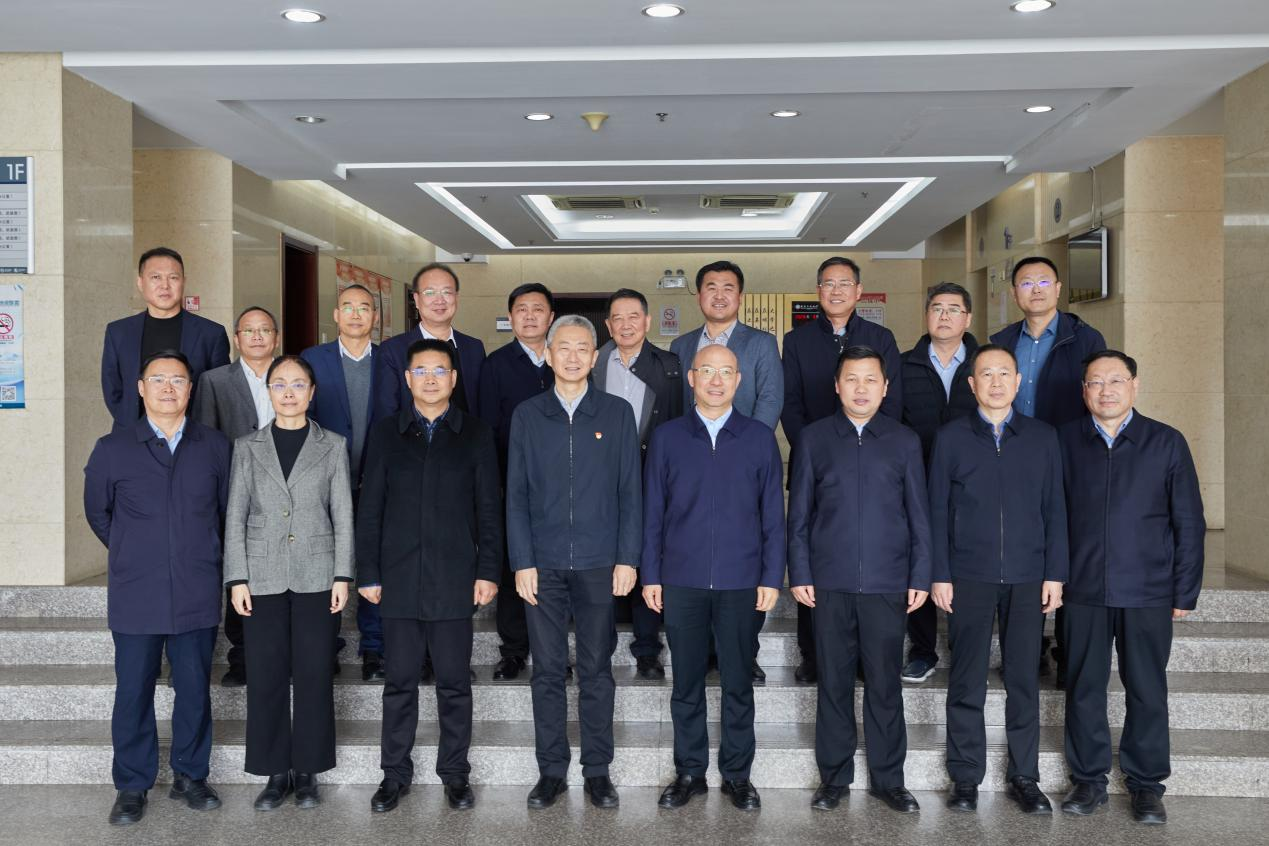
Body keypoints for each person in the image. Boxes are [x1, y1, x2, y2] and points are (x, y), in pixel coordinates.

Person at [1057, 350, 1205, 825]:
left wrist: (1184, 590)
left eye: (1115, 381)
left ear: (1134, 385)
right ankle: (1088, 779)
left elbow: (1189, 520)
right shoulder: (1065, 440)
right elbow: (1050, 516)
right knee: (1083, 687)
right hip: (1083, 590)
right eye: (1096, 382)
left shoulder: (1166, 442)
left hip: (1148, 589)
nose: (1106, 390)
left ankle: (1146, 785)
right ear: (1084, 391)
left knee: (1146, 689)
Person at [84, 350, 230, 826]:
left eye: (179, 380)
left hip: (195, 586)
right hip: (136, 591)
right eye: (159, 379)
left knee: (194, 688)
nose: (169, 388)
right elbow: (98, 513)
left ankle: (191, 775)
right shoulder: (113, 448)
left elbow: (226, 511)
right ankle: (132, 784)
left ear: (191, 389)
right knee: (133, 690)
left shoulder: (214, 446)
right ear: (141, 388)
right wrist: (133, 549)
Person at [357, 339, 503, 813]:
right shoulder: (386, 433)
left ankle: (455, 775)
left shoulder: (475, 434)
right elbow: (370, 509)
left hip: (454, 577)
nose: (431, 379)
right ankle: (394, 775)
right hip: (398, 577)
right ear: (407, 379)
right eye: (421, 371)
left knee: (454, 683)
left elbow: (489, 509)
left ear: (454, 379)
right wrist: (368, 571)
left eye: (440, 371)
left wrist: (488, 570)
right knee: (399, 683)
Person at [788, 346, 931, 814]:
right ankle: (834, 778)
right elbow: (799, 515)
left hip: (888, 584)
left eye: (871, 379)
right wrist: (800, 571)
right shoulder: (813, 438)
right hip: (828, 583)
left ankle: (889, 780)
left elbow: (919, 515)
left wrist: (920, 574)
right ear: (837, 385)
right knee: (833, 683)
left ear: (885, 387)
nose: (861, 388)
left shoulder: (904, 440)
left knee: (885, 684)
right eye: (851, 379)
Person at [506, 315, 641, 810]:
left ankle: (598, 771)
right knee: (546, 670)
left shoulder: (616, 412)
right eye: (563, 348)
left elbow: (631, 491)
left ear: (594, 356)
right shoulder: (527, 414)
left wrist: (627, 558)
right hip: (541, 564)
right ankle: (551, 771)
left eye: (583, 348)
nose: (572, 356)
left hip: (599, 562)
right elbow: (516, 495)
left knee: (596, 668)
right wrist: (522, 560)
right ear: (548, 354)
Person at [927, 344, 1068, 816]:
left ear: (1018, 380)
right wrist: (939, 573)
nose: (995, 382)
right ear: (971, 384)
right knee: (966, 679)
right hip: (968, 575)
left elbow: (1055, 508)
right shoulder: (950, 438)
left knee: (1023, 679)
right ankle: (965, 777)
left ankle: (1024, 776)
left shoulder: (1043, 437)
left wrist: (1055, 573)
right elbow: (936, 510)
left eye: (1004, 373)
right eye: (985, 374)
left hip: (1029, 577)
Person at [642, 344, 783, 812]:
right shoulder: (668, 437)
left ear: (739, 381)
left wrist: (772, 577)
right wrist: (651, 574)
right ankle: (689, 772)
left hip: (742, 580)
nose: (717, 381)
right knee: (686, 682)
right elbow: (653, 512)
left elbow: (773, 516)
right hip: (681, 579)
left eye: (726, 372)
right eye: (708, 371)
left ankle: (737, 775)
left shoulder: (759, 437)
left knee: (738, 681)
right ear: (692, 378)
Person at [223, 355, 353, 810]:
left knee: (315, 673)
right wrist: (236, 577)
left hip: (318, 574)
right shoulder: (247, 446)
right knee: (266, 675)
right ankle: (275, 772)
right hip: (262, 575)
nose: (289, 392)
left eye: (298, 384)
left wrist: (343, 574)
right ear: (269, 392)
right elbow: (235, 515)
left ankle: (309, 771)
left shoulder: (332, 445)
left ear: (312, 392)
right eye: (280, 384)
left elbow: (343, 514)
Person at [781, 257, 903, 683]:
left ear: (858, 290)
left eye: (844, 283)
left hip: (873, 463)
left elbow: (892, 400)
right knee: (812, 554)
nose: (836, 291)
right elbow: (790, 403)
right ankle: (813, 654)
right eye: (828, 284)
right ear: (819, 291)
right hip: (816, 464)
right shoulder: (796, 340)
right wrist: (814, 449)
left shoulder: (880, 338)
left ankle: (866, 657)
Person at [990, 256, 1106, 685]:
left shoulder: (1085, 338)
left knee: (1068, 545)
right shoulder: (1002, 340)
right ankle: (1028, 646)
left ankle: (1068, 647)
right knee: (1024, 548)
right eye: (1026, 283)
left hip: (1070, 454)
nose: (1035, 289)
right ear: (1014, 293)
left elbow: (1097, 397)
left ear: (1058, 289)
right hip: (1015, 459)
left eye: (1043, 281)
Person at [670, 260, 783, 682]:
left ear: (740, 296)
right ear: (699, 295)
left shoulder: (762, 343)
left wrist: (745, 450)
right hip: (694, 463)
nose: (719, 295)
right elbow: (678, 405)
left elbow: (770, 400)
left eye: (728, 287)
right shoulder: (681, 344)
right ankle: (702, 652)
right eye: (711, 287)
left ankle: (742, 652)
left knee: (743, 560)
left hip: (744, 462)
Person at [594, 287, 683, 680]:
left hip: (652, 474)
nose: (626, 324)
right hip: (602, 478)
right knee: (603, 559)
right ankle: (599, 647)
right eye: (618, 318)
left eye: (634, 316)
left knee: (648, 557)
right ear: (608, 324)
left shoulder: (669, 365)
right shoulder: (594, 363)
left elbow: (679, 421)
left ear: (647, 321)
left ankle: (647, 649)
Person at [302, 284, 388, 682]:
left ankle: (375, 648)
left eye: (364, 307)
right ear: (336, 315)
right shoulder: (312, 359)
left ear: (375, 317)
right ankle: (327, 645)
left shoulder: (390, 361)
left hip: (379, 481)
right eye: (348, 307)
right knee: (325, 565)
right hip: (325, 483)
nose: (356, 314)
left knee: (374, 563)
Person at [193, 305, 280, 688]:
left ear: (276, 337)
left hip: (287, 494)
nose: (257, 337)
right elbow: (206, 443)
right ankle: (241, 657)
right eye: (249, 330)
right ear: (236, 338)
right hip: (236, 496)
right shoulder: (214, 381)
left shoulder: (293, 375)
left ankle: (284, 653)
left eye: (265, 330)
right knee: (239, 574)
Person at [898, 282, 979, 684]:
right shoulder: (903, 365)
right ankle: (923, 650)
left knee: (967, 564)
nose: (944, 316)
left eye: (953, 309)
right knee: (921, 561)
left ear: (968, 318)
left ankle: (966, 647)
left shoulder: (985, 364)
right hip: (918, 483)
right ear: (926, 315)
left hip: (973, 487)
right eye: (937, 308)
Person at [477, 282, 556, 682]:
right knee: (513, 569)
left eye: (537, 309)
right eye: (521, 309)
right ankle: (513, 651)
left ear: (551, 317)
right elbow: (487, 429)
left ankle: (552, 650)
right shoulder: (496, 365)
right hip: (512, 485)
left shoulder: (564, 359)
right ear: (510, 318)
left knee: (553, 571)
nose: (529, 316)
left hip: (558, 488)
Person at [102, 247, 230, 431]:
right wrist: (132, 432)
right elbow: (113, 390)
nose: (165, 285)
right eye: (156, 277)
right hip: (132, 436)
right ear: (140, 282)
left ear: (183, 282)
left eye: (173, 277)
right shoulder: (118, 332)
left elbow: (219, 392)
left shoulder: (211, 334)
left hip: (194, 437)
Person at [378, 262, 485, 417]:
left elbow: (482, 408)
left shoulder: (474, 348)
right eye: (430, 292)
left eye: (447, 292)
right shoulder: (392, 350)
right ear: (416, 299)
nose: (439, 300)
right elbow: (387, 415)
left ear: (456, 298)